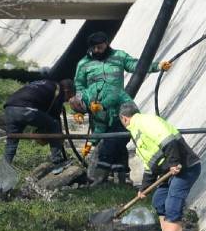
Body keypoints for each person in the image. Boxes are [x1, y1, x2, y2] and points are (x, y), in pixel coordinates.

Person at [72, 32, 171, 183]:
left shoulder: (119, 56)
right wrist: (79, 108)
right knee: (105, 140)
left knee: (119, 139)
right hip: (97, 111)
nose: (97, 50)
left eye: (100, 47)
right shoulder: (83, 64)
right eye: (94, 48)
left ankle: (117, 175)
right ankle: (117, 177)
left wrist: (158, 66)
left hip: (120, 109)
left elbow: (137, 66)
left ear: (107, 43)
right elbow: (79, 86)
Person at [120, 102, 201, 231]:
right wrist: (144, 188)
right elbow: (150, 164)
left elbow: (168, 140)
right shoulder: (136, 131)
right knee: (159, 200)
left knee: (172, 204)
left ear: (124, 119)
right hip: (168, 171)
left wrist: (174, 162)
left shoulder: (144, 122)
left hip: (184, 167)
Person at [3, 78, 74, 168]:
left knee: (11, 142)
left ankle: (3, 170)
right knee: (54, 125)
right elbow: (55, 118)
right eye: (69, 97)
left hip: (9, 108)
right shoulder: (59, 91)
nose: (67, 100)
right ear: (67, 91)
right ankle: (58, 162)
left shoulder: (46, 84)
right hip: (24, 108)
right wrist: (59, 136)